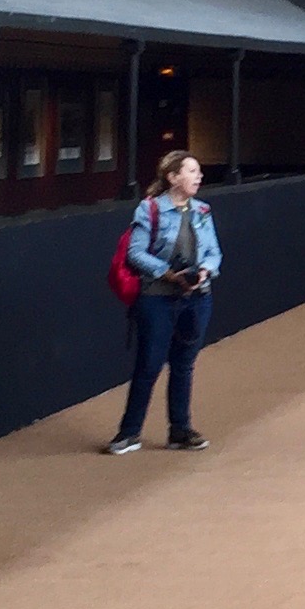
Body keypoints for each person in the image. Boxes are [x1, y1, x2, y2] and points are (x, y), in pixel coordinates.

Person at [107, 150, 220, 456]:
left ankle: (180, 430)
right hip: (157, 299)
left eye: (198, 172)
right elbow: (136, 252)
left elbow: (214, 251)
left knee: (184, 364)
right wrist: (169, 274)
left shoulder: (203, 211)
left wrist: (204, 272)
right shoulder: (150, 210)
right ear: (173, 177)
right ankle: (129, 433)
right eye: (192, 171)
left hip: (196, 299)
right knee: (149, 364)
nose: (199, 177)